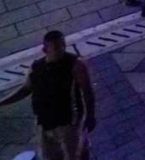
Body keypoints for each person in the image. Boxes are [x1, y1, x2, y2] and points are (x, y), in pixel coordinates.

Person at [0, 30, 97, 159]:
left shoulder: (75, 65)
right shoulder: (37, 68)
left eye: (62, 45)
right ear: (45, 49)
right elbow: (26, 89)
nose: (61, 49)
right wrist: (2, 102)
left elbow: (88, 93)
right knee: (48, 156)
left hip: (68, 123)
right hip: (44, 123)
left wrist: (89, 117)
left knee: (74, 155)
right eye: (56, 47)